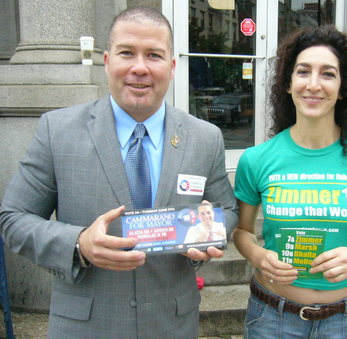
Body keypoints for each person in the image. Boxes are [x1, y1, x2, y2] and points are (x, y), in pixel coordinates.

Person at [0, 7, 238, 339]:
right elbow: (13, 218)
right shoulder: (57, 130)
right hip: (86, 327)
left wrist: (208, 231)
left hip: (171, 324)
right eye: (127, 53)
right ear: (108, 60)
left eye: (154, 55)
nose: (139, 67)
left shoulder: (205, 138)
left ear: (171, 67)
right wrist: (78, 244)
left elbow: (227, 210)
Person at [233, 25, 347, 338]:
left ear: (342, 87)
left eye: (328, 74)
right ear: (288, 83)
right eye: (303, 71)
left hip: (345, 321)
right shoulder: (256, 159)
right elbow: (241, 232)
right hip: (272, 318)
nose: (313, 85)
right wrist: (258, 255)